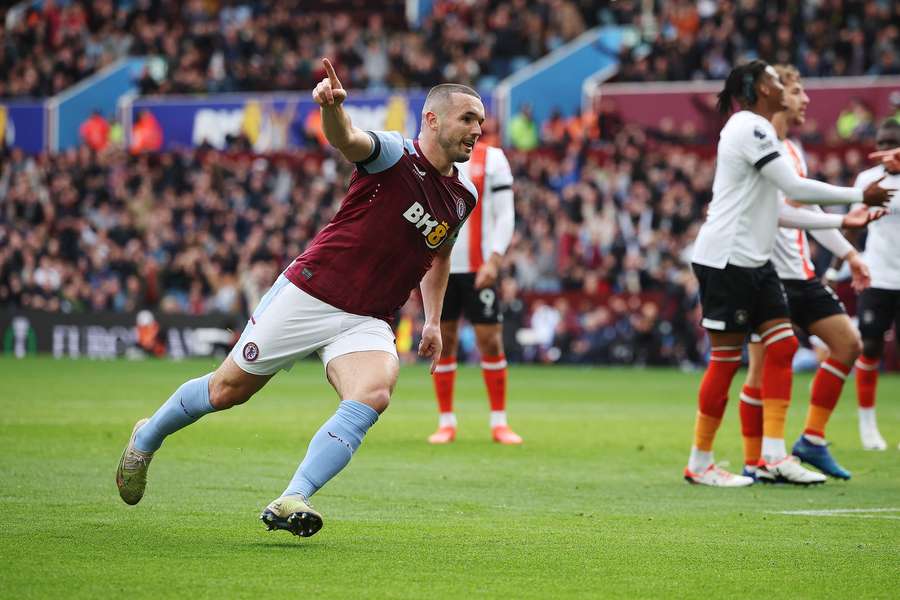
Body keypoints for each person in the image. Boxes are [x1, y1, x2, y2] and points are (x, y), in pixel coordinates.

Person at [116, 58, 485, 538]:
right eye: (468, 119)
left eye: (480, 121)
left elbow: (439, 255)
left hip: (368, 318)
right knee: (226, 391)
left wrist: (432, 320)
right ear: (433, 119)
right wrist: (332, 109)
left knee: (373, 393)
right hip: (311, 292)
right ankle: (146, 437)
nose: (476, 129)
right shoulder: (396, 155)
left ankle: (295, 495)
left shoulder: (463, 196)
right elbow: (349, 139)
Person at [683, 59, 892, 488]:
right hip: (726, 261)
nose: (784, 85)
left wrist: (840, 224)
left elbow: (780, 209)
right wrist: (858, 195)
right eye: (776, 80)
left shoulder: (764, 135)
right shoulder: (748, 127)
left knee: (781, 346)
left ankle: (774, 456)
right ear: (760, 89)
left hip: (756, 264)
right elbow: (795, 191)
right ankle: (700, 462)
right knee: (726, 362)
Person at [738, 65, 886, 482]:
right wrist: (847, 220)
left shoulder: (794, 149)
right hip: (766, 274)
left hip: (801, 276)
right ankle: (757, 461)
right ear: (777, 94)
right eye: (799, 91)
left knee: (848, 344)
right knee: (761, 367)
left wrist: (849, 254)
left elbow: (810, 209)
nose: (806, 100)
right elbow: (783, 212)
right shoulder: (759, 143)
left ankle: (812, 440)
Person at [427, 141, 521, 445]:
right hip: (439, 268)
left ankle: (499, 422)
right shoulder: (427, 155)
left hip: (479, 268)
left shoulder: (492, 158)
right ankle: (446, 422)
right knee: (445, 339)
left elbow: (505, 214)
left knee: (490, 340)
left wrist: (494, 259)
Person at [851, 118, 900, 450]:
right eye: (880, 143)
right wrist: (845, 262)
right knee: (869, 347)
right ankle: (868, 426)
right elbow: (851, 226)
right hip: (877, 274)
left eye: (891, 143)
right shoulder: (867, 180)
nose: (884, 149)